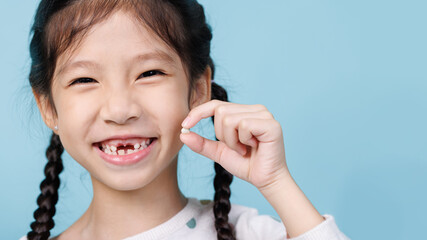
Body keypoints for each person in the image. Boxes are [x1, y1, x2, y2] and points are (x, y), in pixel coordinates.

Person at [20, 0, 350, 239]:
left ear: (197, 90)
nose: (120, 110)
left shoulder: (246, 234)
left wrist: (276, 182)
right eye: (84, 80)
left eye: (149, 73)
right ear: (48, 107)